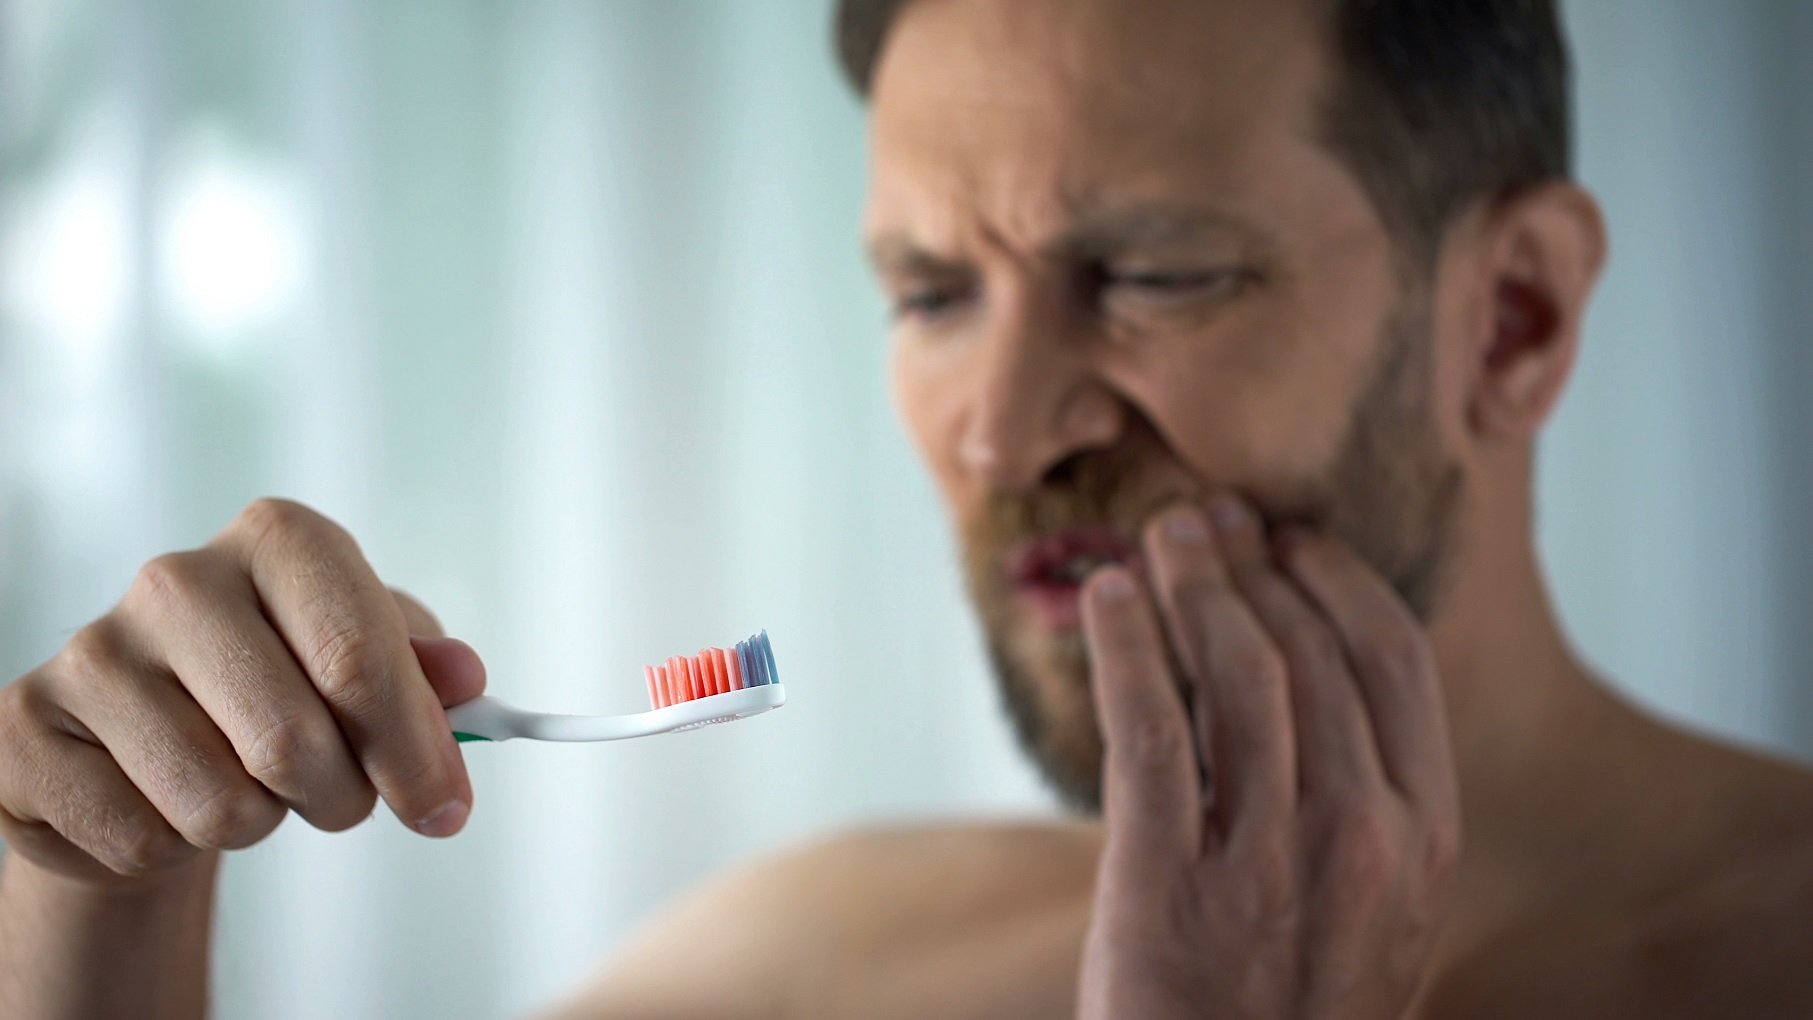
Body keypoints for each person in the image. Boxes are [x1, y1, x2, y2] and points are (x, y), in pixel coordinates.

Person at [1, 0, 1809, 1017]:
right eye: (932, 294)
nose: (1002, 428)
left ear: (1512, 321)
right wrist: (97, 913)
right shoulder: (812, 968)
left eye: (1155, 272)